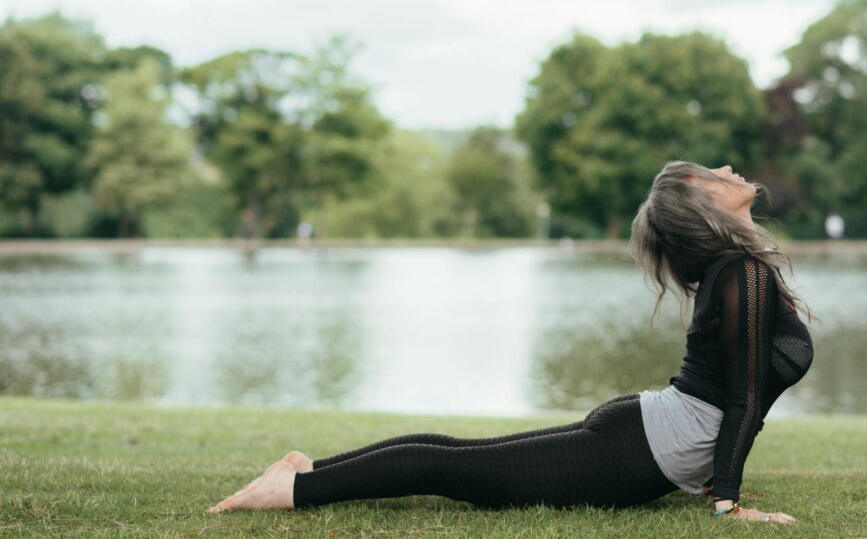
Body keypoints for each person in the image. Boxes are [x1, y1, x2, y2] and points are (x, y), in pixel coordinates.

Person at [207, 160, 815, 524]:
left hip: (646, 435)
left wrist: (712, 477)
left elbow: (744, 393)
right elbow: (741, 397)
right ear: (705, 201)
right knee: (458, 467)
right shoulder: (741, 273)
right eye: (714, 174)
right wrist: (728, 501)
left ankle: (305, 470)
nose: (730, 173)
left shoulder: (736, 271)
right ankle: (297, 486)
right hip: (639, 448)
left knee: (459, 457)